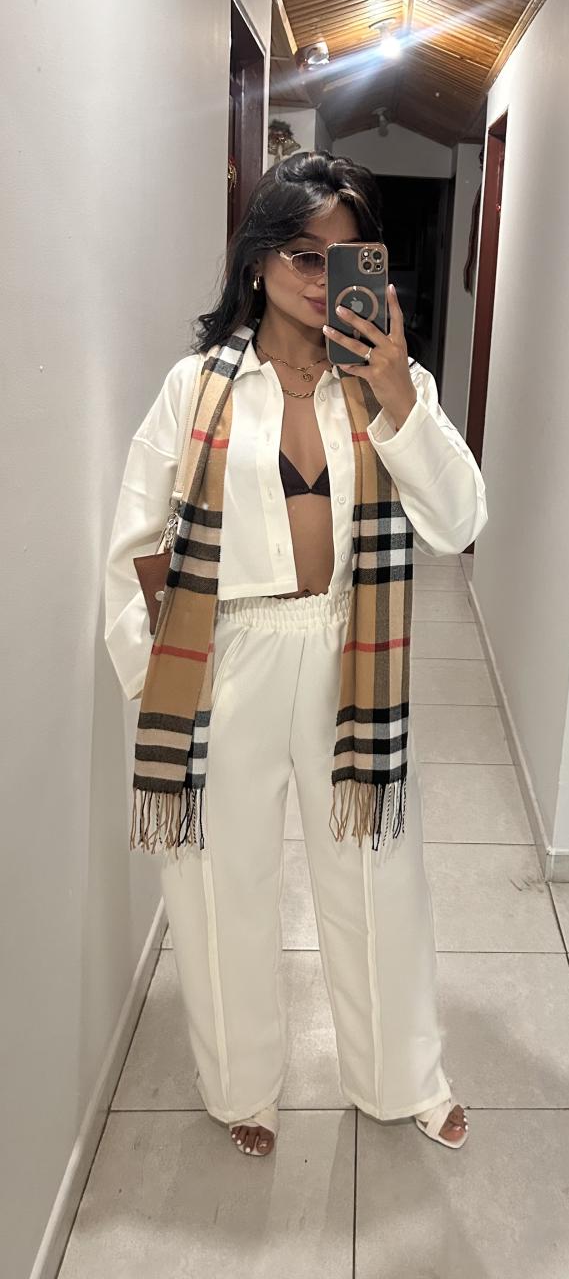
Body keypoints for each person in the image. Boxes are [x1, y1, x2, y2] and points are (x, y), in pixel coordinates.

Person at [104, 150, 488, 1159]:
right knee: (219, 882)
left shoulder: (390, 383)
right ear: (259, 259)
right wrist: (155, 688)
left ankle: (402, 1076)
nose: (323, 280)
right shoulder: (197, 388)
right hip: (228, 654)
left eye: (345, 257)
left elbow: (458, 522)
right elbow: (133, 543)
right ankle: (243, 1084)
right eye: (303, 257)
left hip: (348, 647)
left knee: (378, 871)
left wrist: (399, 394)